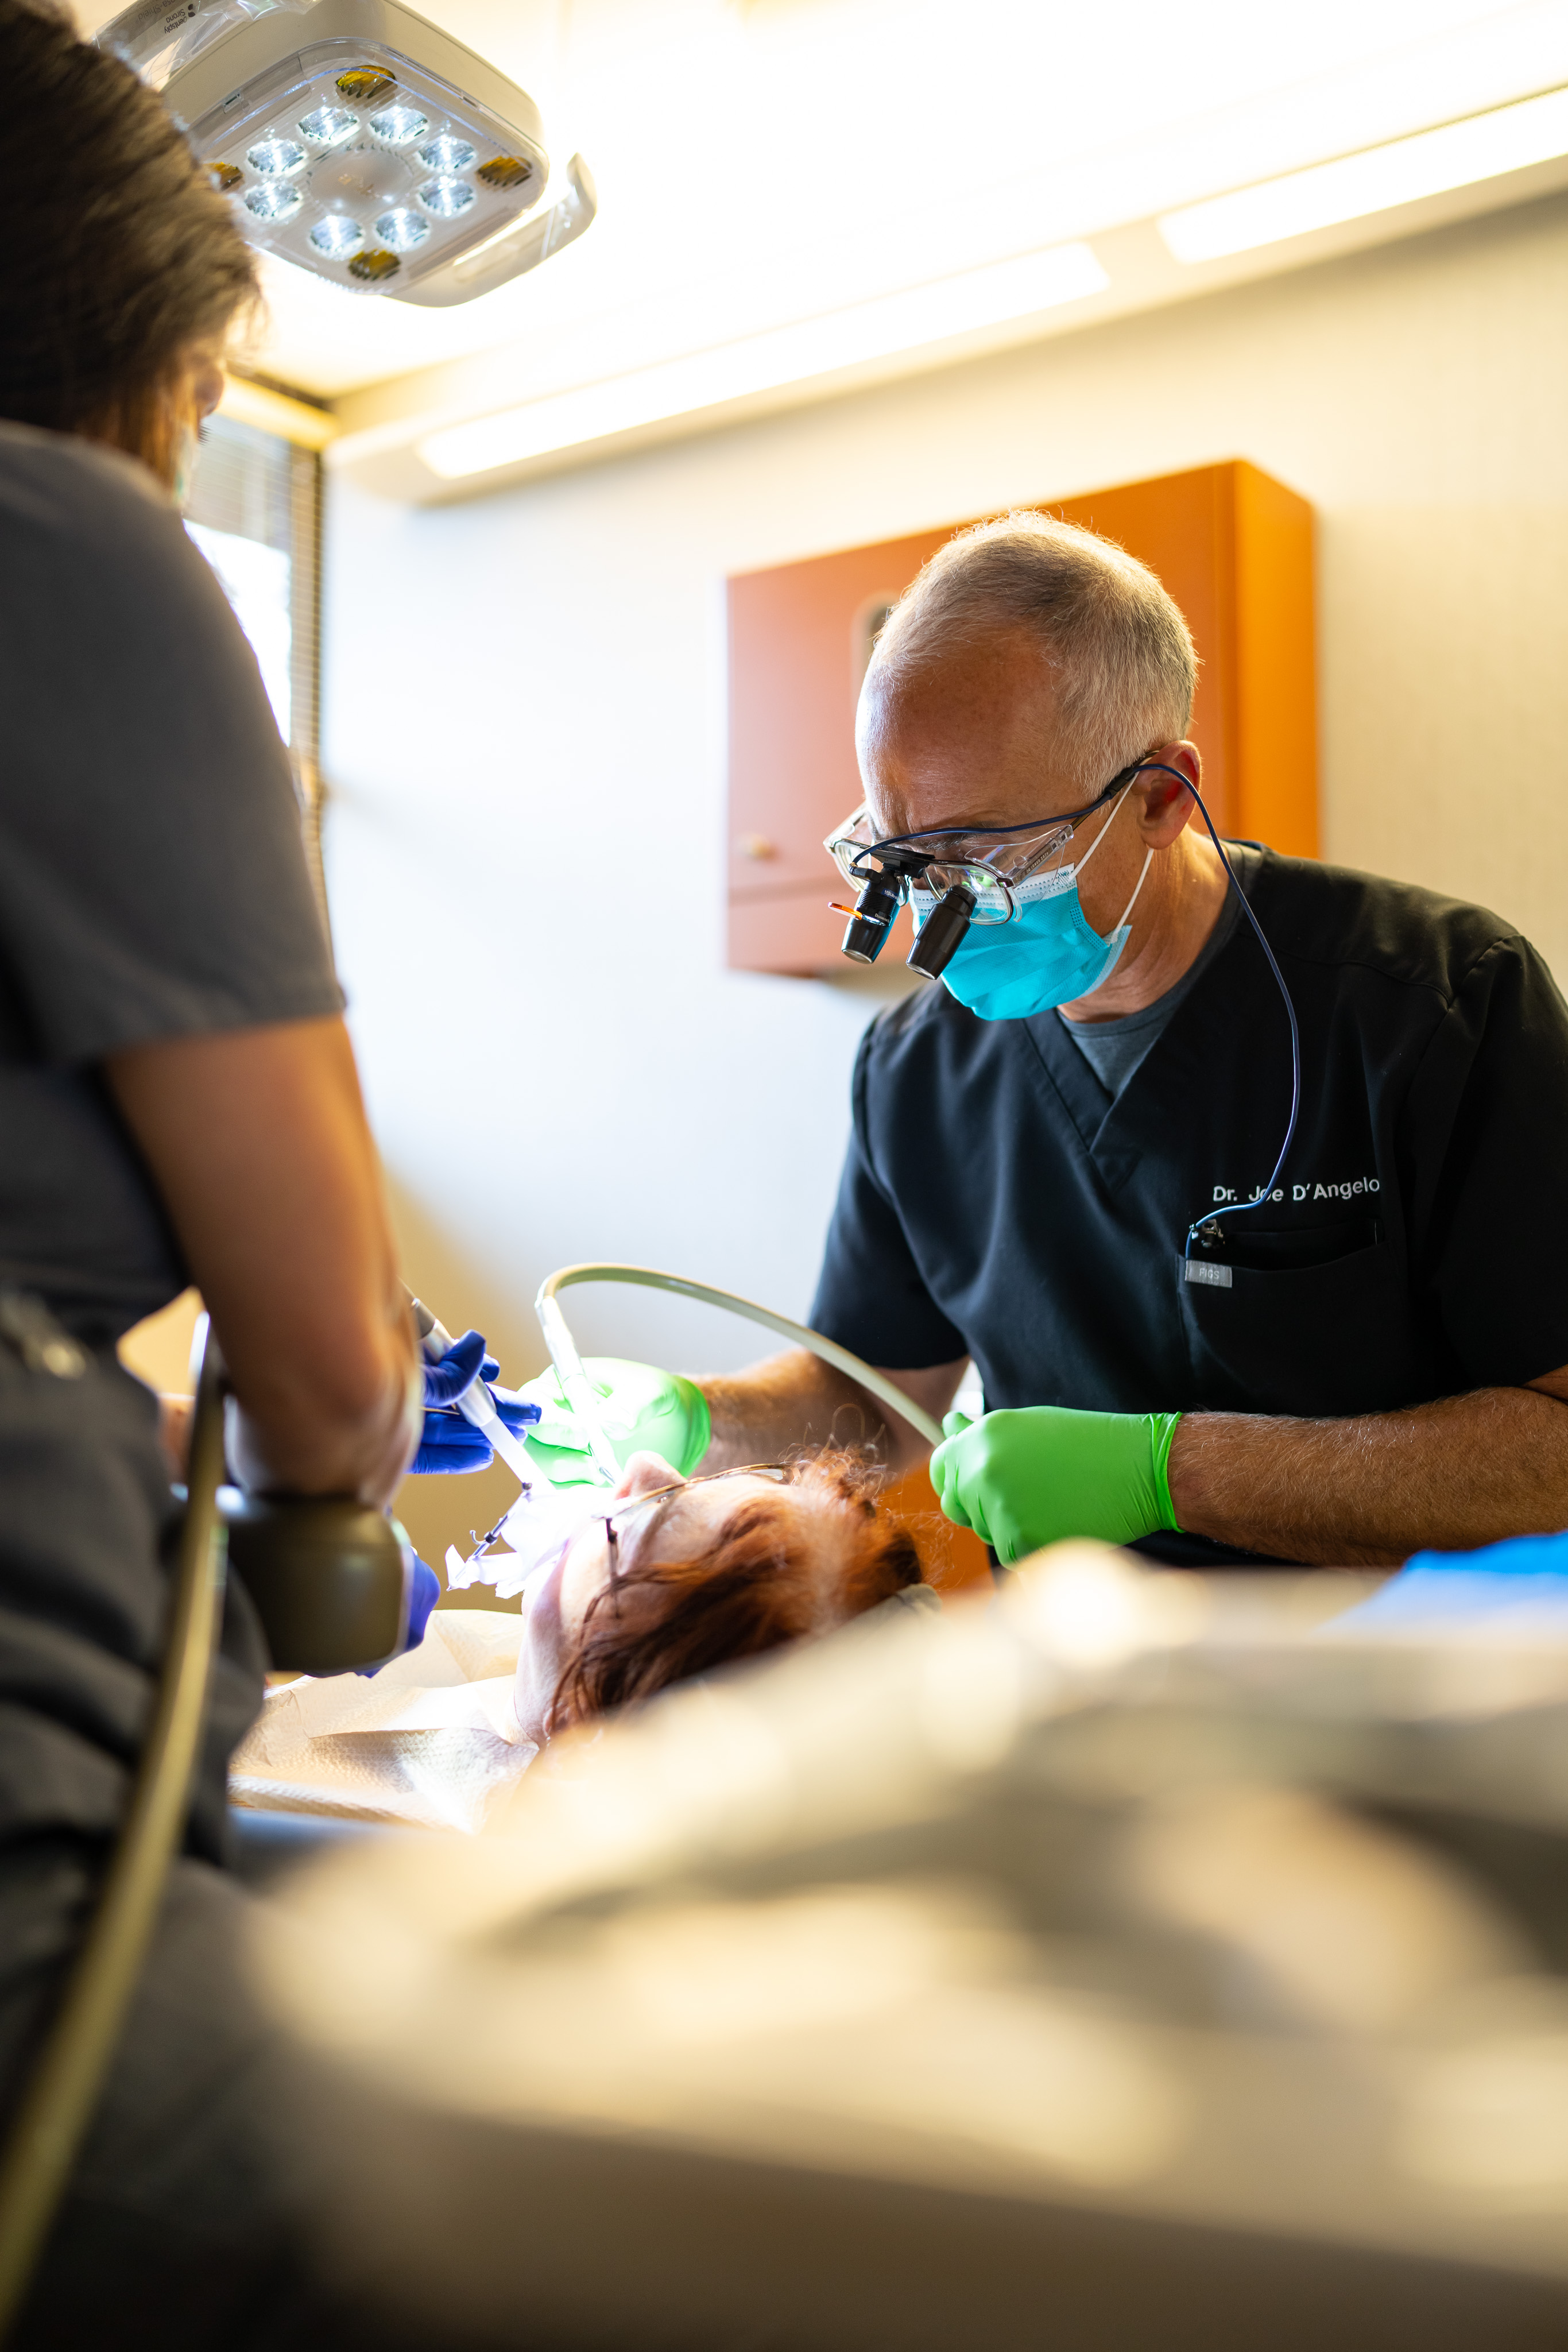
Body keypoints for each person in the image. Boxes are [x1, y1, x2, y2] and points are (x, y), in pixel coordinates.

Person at [0, 4, 491, 2340]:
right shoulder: (64, 533)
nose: (182, 454)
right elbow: (329, 1374)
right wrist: (331, 1464)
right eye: (198, 402)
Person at [542, 513, 1568, 1570]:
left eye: (983, 859)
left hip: (1409, 1660)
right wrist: (693, 1418)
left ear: (1160, 797)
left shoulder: (1437, 1003)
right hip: (1075, 1655)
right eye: (903, 859)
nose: (936, 915)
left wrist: (1171, 1473)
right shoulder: (914, 1069)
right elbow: (880, 1401)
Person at [232, 1450, 928, 1827]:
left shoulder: (423, 1869)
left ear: (586, 1728)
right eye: (694, 1482)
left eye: (638, 1526)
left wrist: (221, 1616)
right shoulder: (519, 1666)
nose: (645, 1465)